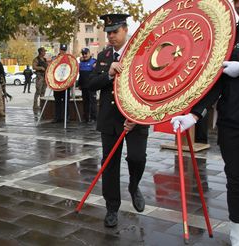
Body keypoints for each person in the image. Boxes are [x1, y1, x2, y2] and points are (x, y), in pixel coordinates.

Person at [170, 1, 239, 244]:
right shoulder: (230, 34)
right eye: (236, 1)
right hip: (233, 121)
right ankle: (238, 233)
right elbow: (216, 80)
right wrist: (194, 114)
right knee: (236, 179)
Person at [89, 14, 148, 227]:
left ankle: (134, 186)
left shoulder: (141, 52)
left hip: (136, 118)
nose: (111, 36)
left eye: (115, 31)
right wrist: (109, 74)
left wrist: (135, 115)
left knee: (137, 158)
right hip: (110, 119)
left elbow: (148, 86)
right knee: (110, 164)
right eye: (108, 32)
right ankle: (112, 207)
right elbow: (90, 84)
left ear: (125, 29)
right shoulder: (104, 55)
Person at [78, 47, 97, 123]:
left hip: (92, 86)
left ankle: (94, 118)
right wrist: (79, 84)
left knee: (93, 102)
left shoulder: (94, 62)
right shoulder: (81, 63)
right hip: (84, 86)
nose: (84, 55)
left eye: (86, 53)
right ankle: (86, 117)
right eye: (83, 54)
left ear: (89, 53)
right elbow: (81, 75)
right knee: (85, 102)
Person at [53, 44, 71, 123]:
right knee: (57, 101)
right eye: (61, 50)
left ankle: (66, 117)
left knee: (66, 101)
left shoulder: (69, 59)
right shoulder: (55, 59)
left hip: (66, 83)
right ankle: (57, 117)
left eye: (64, 50)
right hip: (57, 83)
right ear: (59, 50)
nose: (63, 51)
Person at [32, 47, 48, 114]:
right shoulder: (36, 59)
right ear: (40, 52)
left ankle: (42, 104)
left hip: (45, 76)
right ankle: (35, 105)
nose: (45, 53)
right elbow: (34, 67)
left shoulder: (44, 59)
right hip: (39, 76)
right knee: (38, 91)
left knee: (43, 91)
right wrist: (40, 68)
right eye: (44, 51)